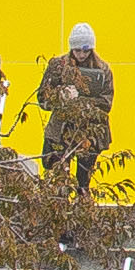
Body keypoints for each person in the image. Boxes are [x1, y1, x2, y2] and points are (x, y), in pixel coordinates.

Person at [34, 23, 112, 197]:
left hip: (90, 131)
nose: (82, 55)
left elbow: (106, 104)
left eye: (86, 50)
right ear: (71, 48)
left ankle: (82, 210)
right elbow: (42, 98)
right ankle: (59, 213)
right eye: (78, 50)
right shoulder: (58, 66)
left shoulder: (103, 69)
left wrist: (80, 100)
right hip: (60, 129)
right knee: (58, 178)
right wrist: (60, 96)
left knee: (83, 181)